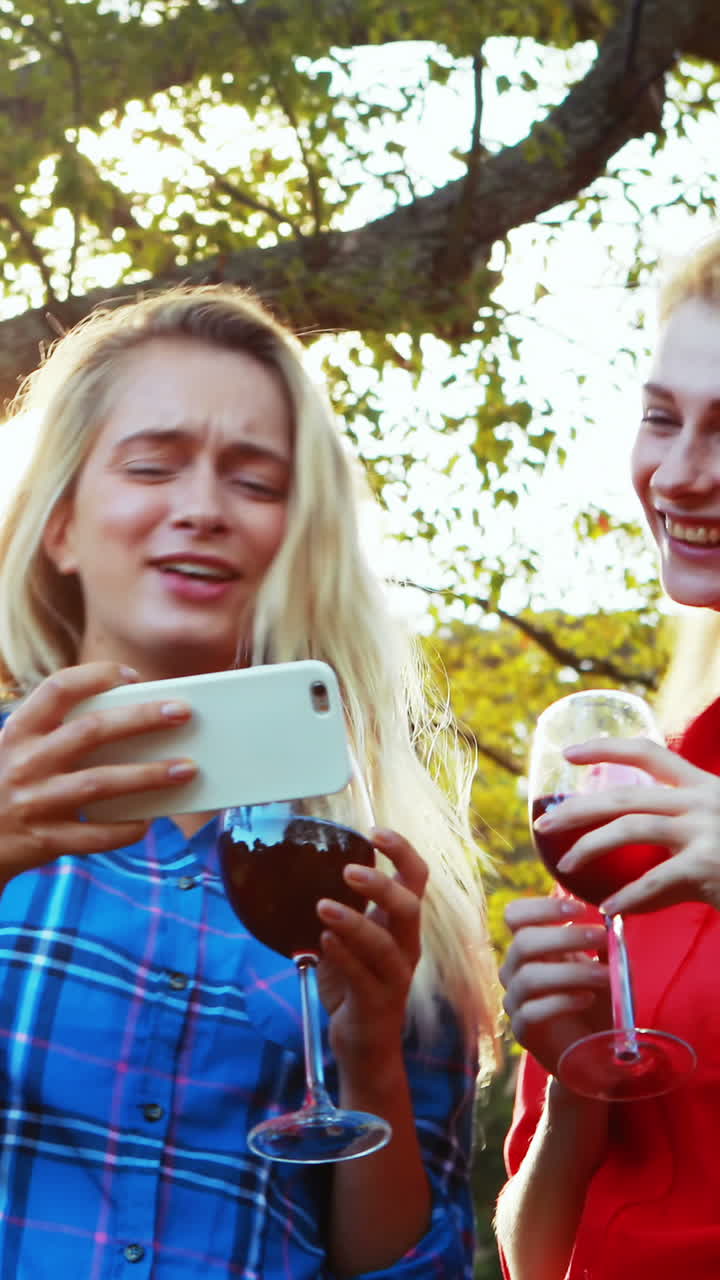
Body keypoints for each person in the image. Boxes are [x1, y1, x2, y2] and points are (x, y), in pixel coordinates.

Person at [0, 285, 499, 1279]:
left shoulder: (380, 882)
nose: (201, 508)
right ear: (59, 527)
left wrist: (372, 1059)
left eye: (257, 482)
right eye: (151, 465)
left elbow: (410, 1267)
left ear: (301, 540)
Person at [496, 231, 720, 1280]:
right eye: (661, 418)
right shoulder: (656, 781)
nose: (679, 474)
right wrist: (576, 1081)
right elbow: (531, 1255)